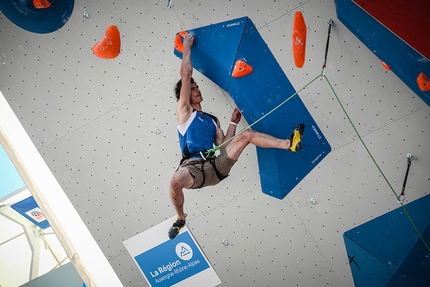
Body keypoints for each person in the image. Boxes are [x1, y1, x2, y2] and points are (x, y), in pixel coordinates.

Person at [168, 34, 304, 239]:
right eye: (193, 88)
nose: (196, 90)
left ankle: (289, 144)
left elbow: (224, 145)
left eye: (197, 87)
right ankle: (180, 218)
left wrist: (233, 122)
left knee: (247, 134)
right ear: (185, 95)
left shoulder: (213, 120)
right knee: (176, 180)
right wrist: (187, 47)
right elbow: (186, 75)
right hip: (193, 167)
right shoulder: (185, 112)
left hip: (216, 166)